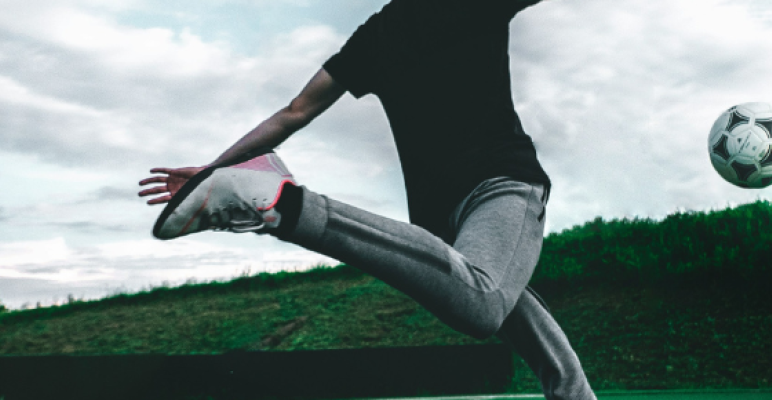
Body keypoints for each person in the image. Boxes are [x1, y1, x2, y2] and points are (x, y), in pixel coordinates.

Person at [136, 1, 595, 399]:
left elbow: (294, 112)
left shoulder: (379, 35)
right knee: (485, 301)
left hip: (478, 201)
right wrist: (218, 171)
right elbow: (294, 112)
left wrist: (218, 170)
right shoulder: (389, 32)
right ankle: (285, 205)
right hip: (479, 200)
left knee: (499, 299)